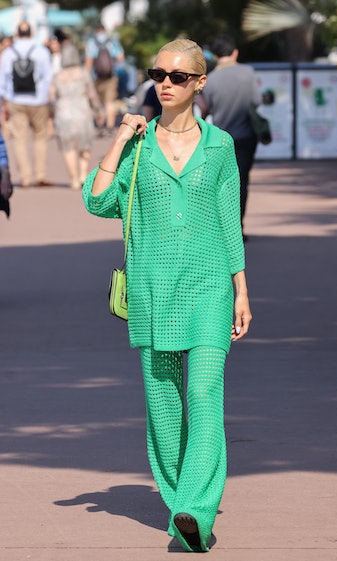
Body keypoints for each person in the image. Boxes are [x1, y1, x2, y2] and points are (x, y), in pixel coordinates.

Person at [82, 39, 252, 553]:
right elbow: (96, 201)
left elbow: (229, 223)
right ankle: (182, 502)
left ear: (200, 83)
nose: (166, 84)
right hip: (153, 290)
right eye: (159, 74)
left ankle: (195, 510)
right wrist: (118, 140)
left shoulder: (220, 146)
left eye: (178, 76)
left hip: (209, 287)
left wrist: (241, 290)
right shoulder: (138, 146)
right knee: (164, 407)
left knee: (202, 397)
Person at [201, 34, 262, 234]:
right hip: (246, 136)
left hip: (220, 138)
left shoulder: (209, 80)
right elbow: (257, 101)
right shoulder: (249, 73)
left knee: (220, 184)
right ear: (235, 52)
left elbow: (204, 109)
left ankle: (222, 228)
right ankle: (238, 227)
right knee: (242, 181)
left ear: (216, 55)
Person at [0, 20, 53, 188]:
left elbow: (3, 79)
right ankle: (40, 175)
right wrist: (44, 97)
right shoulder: (41, 51)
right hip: (38, 101)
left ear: (17, 34)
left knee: (20, 139)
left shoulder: (9, 53)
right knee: (40, 138)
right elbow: (48, 77)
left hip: (16, 101)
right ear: (31, 33)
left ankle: (24, 177)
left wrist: (5, 100)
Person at [49, 44, 104, 189]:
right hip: (83, 112)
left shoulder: (57, 76)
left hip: (63, 113)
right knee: (85, 146)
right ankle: (83, 175)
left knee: (68, 148)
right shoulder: (83, 73)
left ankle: (73, 179)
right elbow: (92, 95)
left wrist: (52, 113)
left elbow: (51, 97)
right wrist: (99, 112)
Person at [84, 21, 125, 136]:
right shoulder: (112, 42)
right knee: (109, 102)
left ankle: (100, 125)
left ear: (96, 31)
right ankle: (110, 127)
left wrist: (86, 77)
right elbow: (121, 58)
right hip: (111, 77)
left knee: (97, 102)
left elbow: (88, 62)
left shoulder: (92, 43)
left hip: (96, 77)